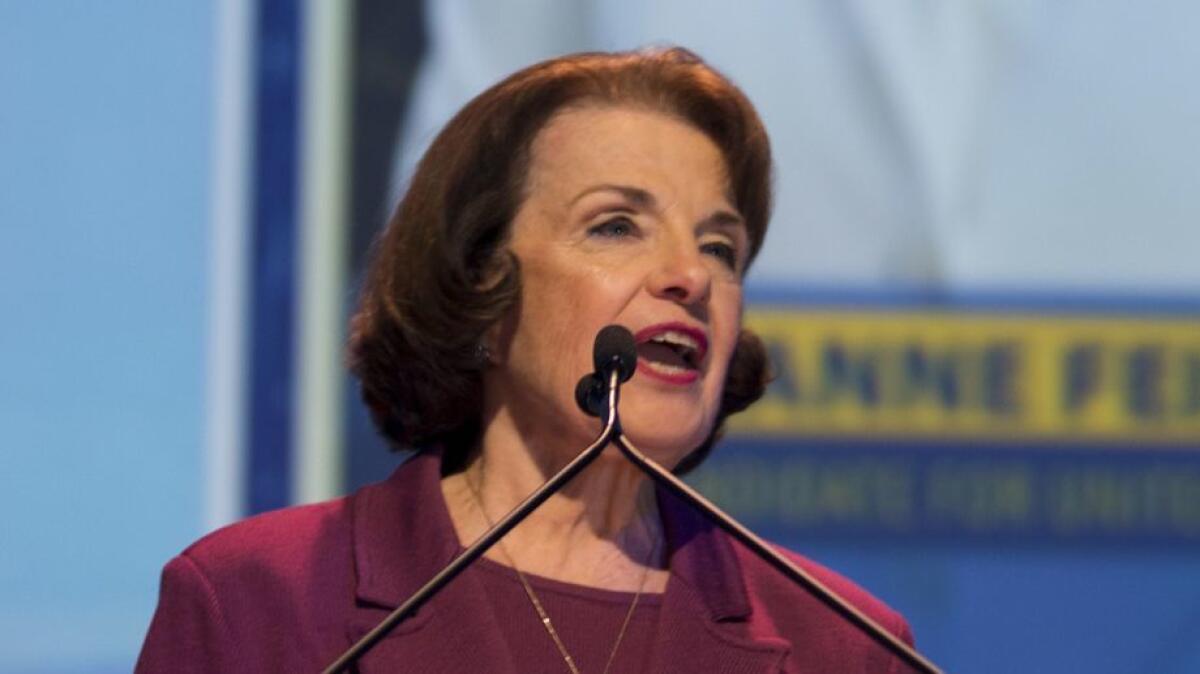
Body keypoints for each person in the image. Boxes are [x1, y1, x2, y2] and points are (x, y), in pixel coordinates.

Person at [137, 47, 914, 673]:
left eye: (721, 247)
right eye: (615, 226)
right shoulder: (257, 604)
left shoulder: (842, 647)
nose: (692, 276)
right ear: (483, 284)